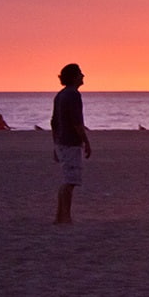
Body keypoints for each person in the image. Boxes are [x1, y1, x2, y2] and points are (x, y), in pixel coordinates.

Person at [51, 63, 92, 224]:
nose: (83, 76)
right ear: (74, 76)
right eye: (80, 73)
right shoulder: (73, 95)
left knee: (68, 180)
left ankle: (60, 216)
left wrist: (55, 143)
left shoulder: (60, 95)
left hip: (62, 142)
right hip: (70, 142)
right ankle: (65, 217)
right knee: (70, 182)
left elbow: (54, 122)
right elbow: (77, 123)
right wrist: (86, 142)